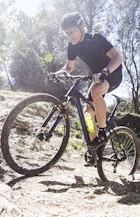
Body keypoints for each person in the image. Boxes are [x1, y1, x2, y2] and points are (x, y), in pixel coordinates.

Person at [52, 12, 123, 148]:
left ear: (82, 27)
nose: (70, 36)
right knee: (87, 114)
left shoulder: (96, 39)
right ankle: (94, 147)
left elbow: (117, 57)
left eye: (72, 31)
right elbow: (68, 67)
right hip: (97, 77)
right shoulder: (72, 46)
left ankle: (102, 131)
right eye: (67, 33)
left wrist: (105, 71)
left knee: (96, 91)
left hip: (113, 73)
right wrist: (57, 73)